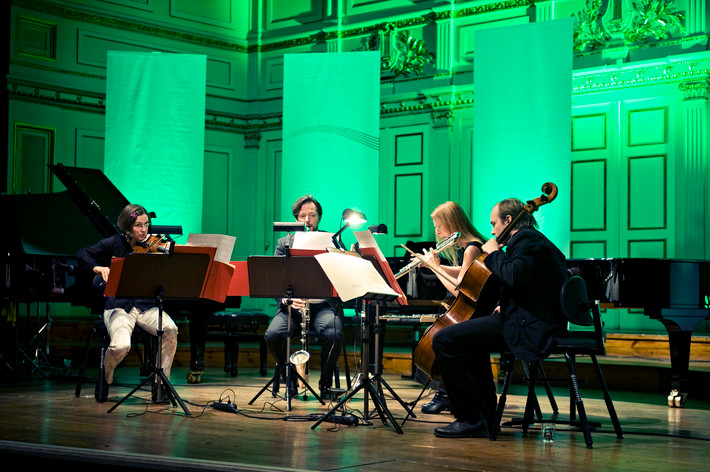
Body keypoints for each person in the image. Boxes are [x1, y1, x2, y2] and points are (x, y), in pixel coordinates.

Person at [430, 198, 568, 438]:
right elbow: (531, 284)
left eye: (495, 224)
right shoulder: (534, 242)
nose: (492, 231)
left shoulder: (526, 241)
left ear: (508, 220)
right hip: (529, 320)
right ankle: (484, 415)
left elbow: (513, 276)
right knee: (469, 340)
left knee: (445, 340)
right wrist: (507, 304)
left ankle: (471, 418)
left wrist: (494, 252)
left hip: (531, 328)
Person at [76, 204, 178, 403]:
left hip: (146, 307)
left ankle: (160, 383)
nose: (143, 230)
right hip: (118, 307)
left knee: (171, 330)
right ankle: (105, 376)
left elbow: (174, 256)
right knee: (121, 345)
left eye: (146, 225)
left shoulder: (155, 244)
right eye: (138, 225)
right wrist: (97, 267)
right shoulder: (115, 243)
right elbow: (82, 253)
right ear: (127, 226)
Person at [264, 194, 344, 401]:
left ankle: (325, 385)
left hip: (322, 306)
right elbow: (274, 280)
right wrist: (286, 300)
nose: (307, 220)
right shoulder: (284, 243)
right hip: (291, 307)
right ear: (296, 219)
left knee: (334, 333)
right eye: (302, 216)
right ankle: (290, 380)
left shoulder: (332, 240)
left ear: (319, 218)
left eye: (312, 215)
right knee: (272, 335)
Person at [415, 202, 487, 414]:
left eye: (439, 226)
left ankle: (446, 393)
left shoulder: (472, 247)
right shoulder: (472, 245)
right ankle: (445, 392)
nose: (436, 232)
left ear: (451, 223)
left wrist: (436, 269)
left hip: (480, 312)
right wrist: (432, 265)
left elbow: (461, 291)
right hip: (480, 310)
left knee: (442, 336)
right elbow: (464, 271)